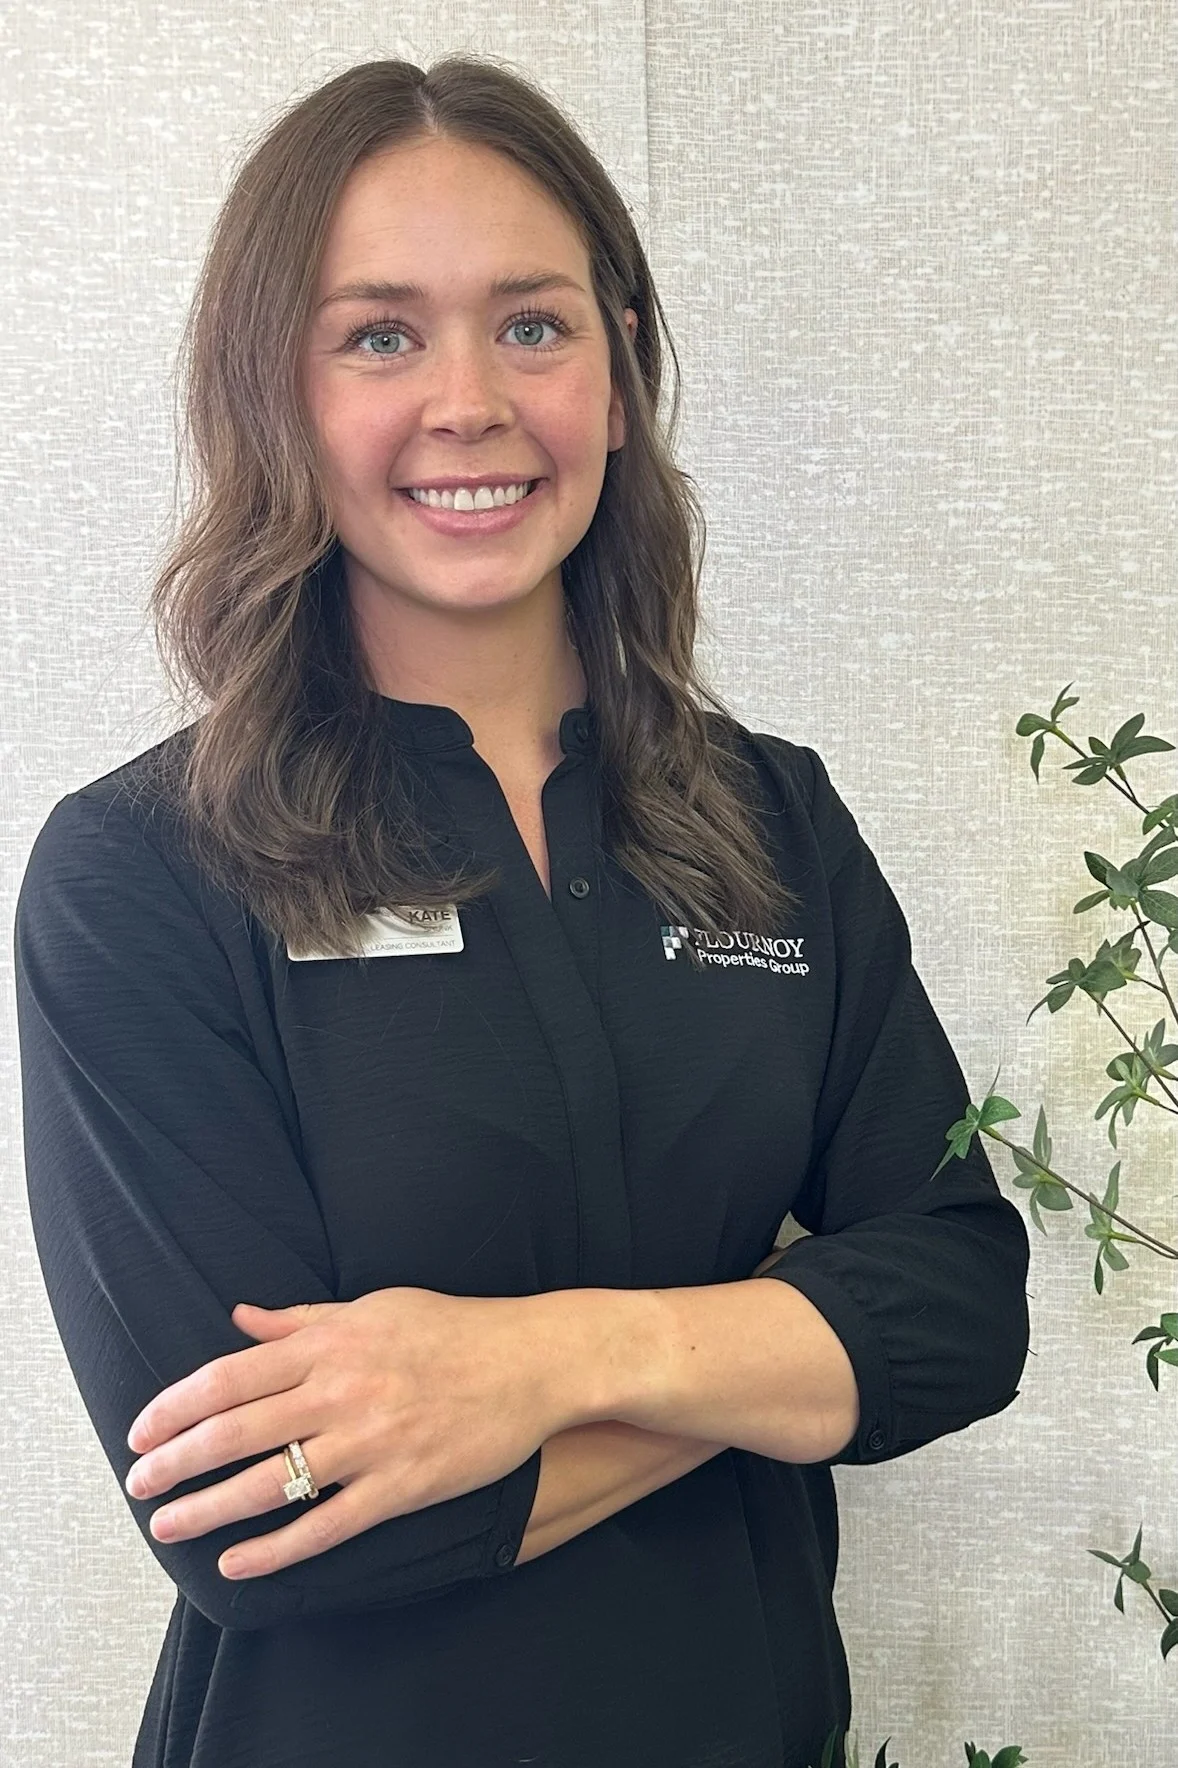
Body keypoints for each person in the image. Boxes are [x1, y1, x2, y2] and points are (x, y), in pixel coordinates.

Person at [13, 54, 1031, 1768]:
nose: (471, 399)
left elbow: (958, 1308)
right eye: (381, 334)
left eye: (535, 325)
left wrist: (529, 1367)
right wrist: (769, 1335)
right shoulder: (140, 872)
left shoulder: (773, 816)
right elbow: (250, 1520)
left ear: (620, 373)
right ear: (274, 391)